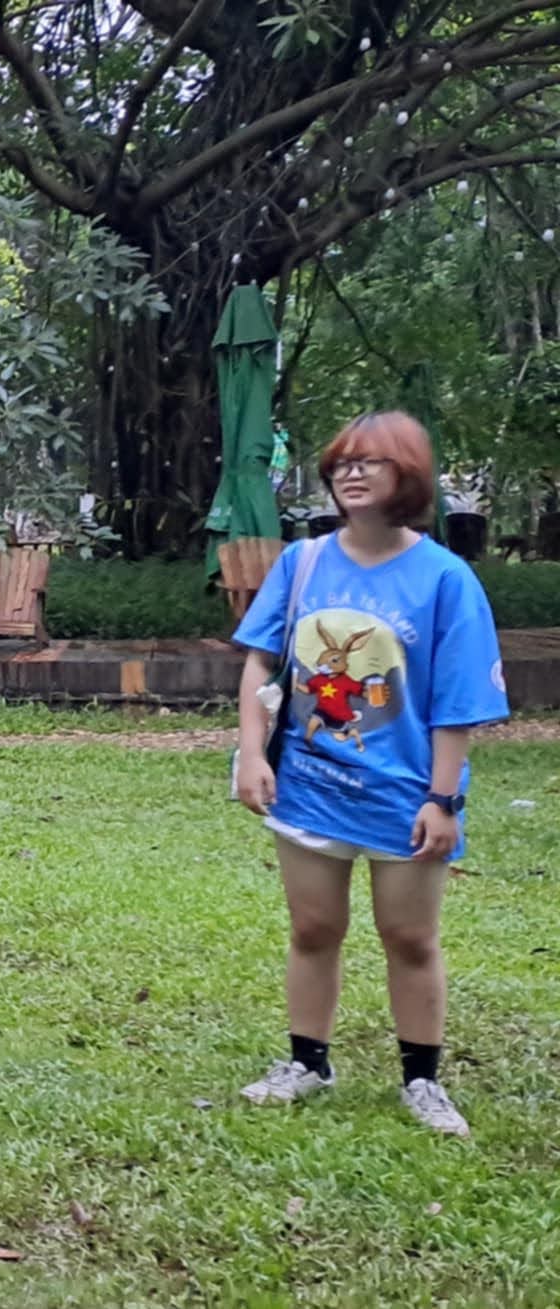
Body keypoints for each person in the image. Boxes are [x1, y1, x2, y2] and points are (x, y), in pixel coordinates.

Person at [232, 410, 510, 1136]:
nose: (351, 474)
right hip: (309, 785)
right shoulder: (303, 562)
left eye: (371, 461)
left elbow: (458, 703)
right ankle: (308, 1062)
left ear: (407, 475)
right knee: (313, 927)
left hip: (406, 795)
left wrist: (443, 798)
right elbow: (261, 662)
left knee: (409, 937)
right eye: (342, 463)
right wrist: (253, 754)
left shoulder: (445, 578)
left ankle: (422, 1079)